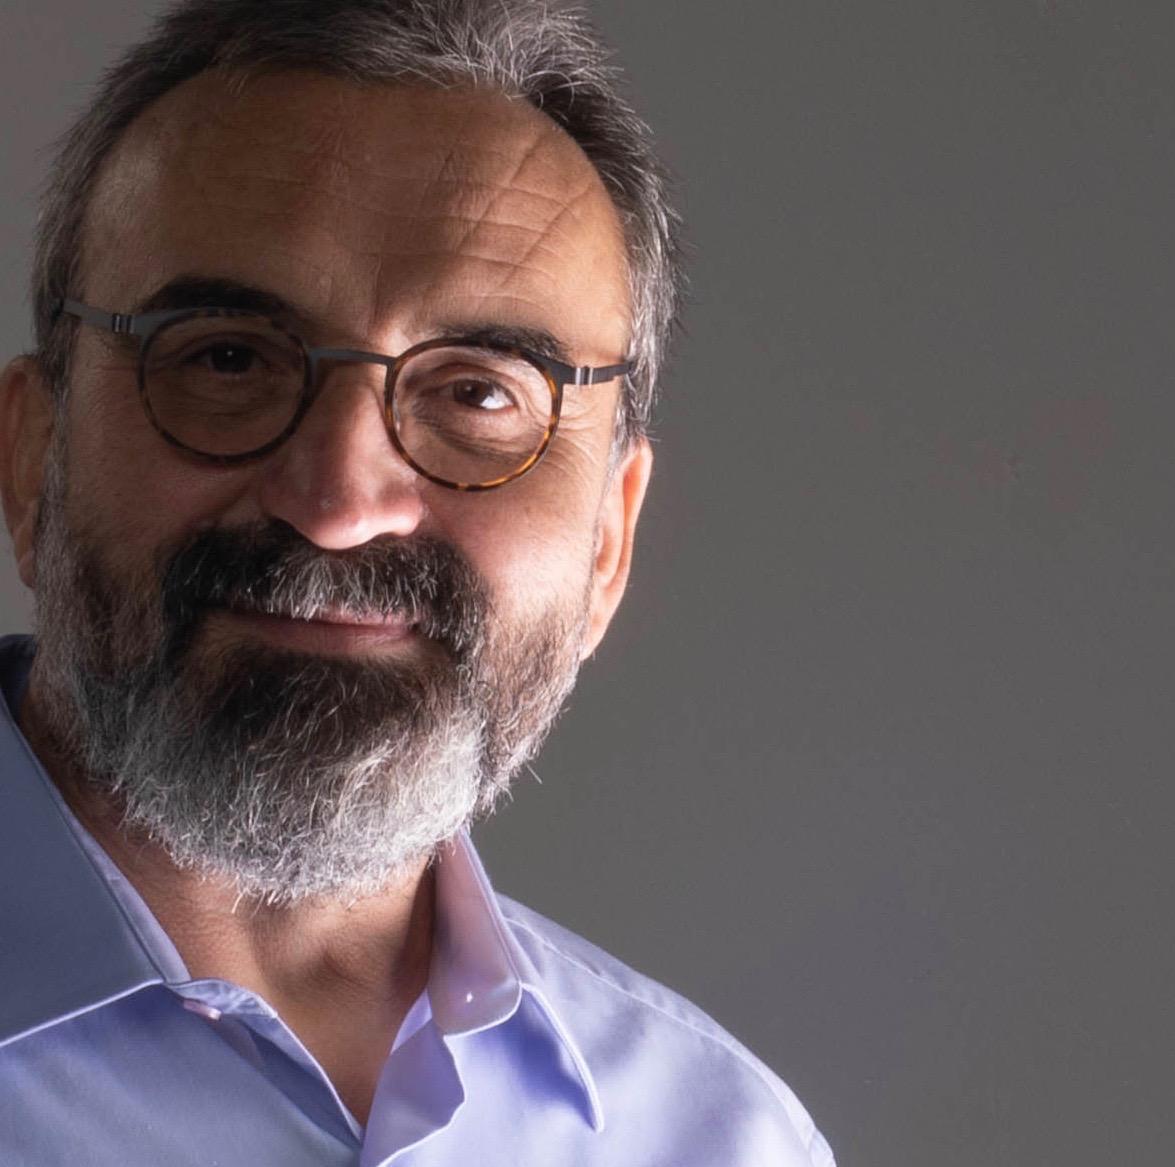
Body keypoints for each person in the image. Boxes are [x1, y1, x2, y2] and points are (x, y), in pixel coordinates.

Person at [0, 1, 835, 1162]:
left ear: (608, 539)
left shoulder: (716, 1138)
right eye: (227, 360)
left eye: (479, 393)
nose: (339, 504)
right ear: (31, 455)